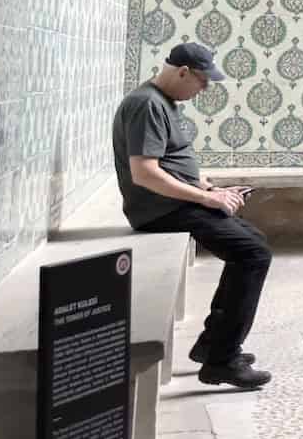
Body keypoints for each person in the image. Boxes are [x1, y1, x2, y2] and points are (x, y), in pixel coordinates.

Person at [112, 43, 272, 389]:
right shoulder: (146, 105)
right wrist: (206, 199)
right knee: (253, 254)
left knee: (254, 243)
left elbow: (170, 160)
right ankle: (221, 360)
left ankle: (215, 344)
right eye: (202, 81)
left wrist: (207, 188)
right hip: (160, 211)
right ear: (182, 72)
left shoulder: (164, 102)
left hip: (176, 203)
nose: (205, 89)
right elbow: (145, 173)